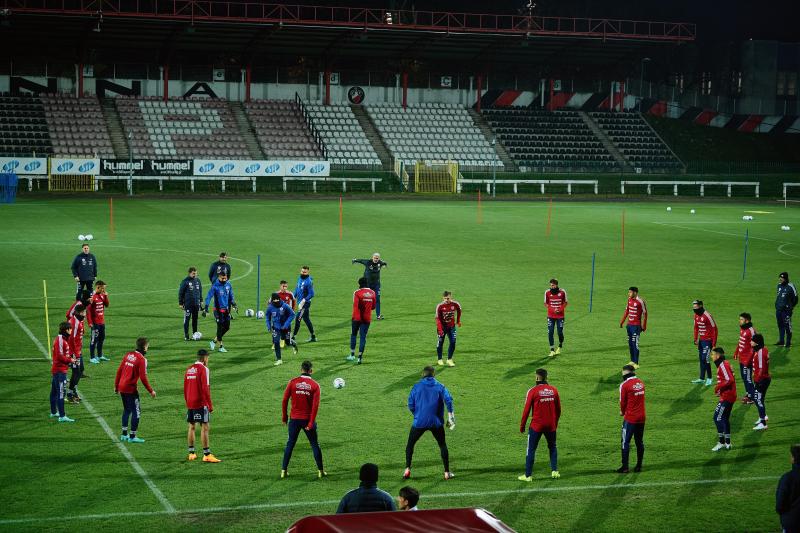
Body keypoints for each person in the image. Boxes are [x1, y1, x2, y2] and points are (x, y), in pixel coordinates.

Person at [404, 366, 456, 480]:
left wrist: (417, 415)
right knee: (442, 445)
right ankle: (447, 472)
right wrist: (451, 416)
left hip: (419, 421)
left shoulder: (416, 386)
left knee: (410, 444)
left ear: (423, 374)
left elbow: (410, 404)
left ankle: (407, 469)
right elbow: (449, 400)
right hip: (436, 422)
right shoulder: (440, 386)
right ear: (433, 374)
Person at [281, 360, 325, 479]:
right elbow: (315, 407)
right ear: (311, 371)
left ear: (301, 370)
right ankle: (320, 471)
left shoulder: (293, 382)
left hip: (294, 419)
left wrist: (284, 417)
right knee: (314, 444)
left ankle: (283, 470)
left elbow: (284, 400)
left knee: (290, 444)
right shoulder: (315, 385)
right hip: (307, 420)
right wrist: (311, 423)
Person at [518, 368, 561, 481]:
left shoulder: (532, 391)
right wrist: (554, 423)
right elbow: (559, 410)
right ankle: (554, 471)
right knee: (552, 447)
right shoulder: (554, 390)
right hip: (551, 425)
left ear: (537, 377)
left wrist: (522, 426)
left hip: (536, 426)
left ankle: (528, 476)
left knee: (531, 449)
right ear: (546, 377)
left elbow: (526, 410)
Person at [114, 337, 156, 443]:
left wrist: (116, 386)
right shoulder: (142, 359)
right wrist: (151, 391)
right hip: (130, 388)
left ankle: (124, 434)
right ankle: (132, 436)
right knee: (136, 412)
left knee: (127, 410)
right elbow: (143, 377)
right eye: (147, 346)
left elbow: (119, 370)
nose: (148, 348)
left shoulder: (128, 355)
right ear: (144, 347)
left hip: (122, 387)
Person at [184, 349, 220, 462]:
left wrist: (187, 401)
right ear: (204, 358)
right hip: (200, 402)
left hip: (189, 401)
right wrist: (209, 405)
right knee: (205, 427)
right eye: (208, 358)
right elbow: (205, 388)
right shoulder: (204, 369)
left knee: (191, 426)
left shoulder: (189, 369)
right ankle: (207, 454)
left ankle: (191, 453)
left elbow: (185, 387)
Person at [617, 364, 646, 473]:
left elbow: (623, 401)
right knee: (639, 441)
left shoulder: (624, 385)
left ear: (626, 373)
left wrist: (622, 411)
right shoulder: (641, 383)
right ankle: (639, 466)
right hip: (642, 417)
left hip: (630, 418)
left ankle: (625, 467)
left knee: (625, 442)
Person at [203, 272, 237, 353]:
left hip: (226, 310)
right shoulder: (215, 286)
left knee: (227, 327)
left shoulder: (228, 284)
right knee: (220, 327)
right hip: (218, 311)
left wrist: (234, 304)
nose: (224, 280)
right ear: (219, 277)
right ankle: (221, 346)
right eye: (223, 278)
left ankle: (214, 341)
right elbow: (208, 296)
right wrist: (206, 307)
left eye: (225, 278)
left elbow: (231, 295)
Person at [711, 347, 736, 451]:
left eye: (712, 354)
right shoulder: (724, 363)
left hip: (727, 397)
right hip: (728, 395)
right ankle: (728, 443)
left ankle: (721, 442)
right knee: (724, 418)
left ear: (718, 355)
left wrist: (718, 387)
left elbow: (729, 380)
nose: (711, 356)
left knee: (717, 418)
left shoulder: (723, 365)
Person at [50, 321, 76, 423]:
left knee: (54, 392)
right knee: (61, 393)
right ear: (66, 330)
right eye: (70, 329)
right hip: (60, 371)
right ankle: (62, 416)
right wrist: (71, 360)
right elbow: (60, 356)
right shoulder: (60, 340)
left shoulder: (63, 339)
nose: (71, 330)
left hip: (58, 370)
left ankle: (53, 412)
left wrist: (70, 357)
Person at [349, 277, 376, 364]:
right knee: (363, 337)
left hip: (357, 318)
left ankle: (352, 355)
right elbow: (373, 307)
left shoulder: (357, 293)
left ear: (360, 284)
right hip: (366, 318)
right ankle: (359, 357)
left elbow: (355, 304)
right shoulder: (373, 293)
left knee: (353, 335)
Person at [353, 253, 387, 319]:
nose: (376, 259)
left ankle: (378, 316)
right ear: (372, 257)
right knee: (365, 299)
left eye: (377, 258)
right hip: (367, 285)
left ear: (379, 258)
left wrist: (385, 265)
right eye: (375, 258)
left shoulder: (380, 263)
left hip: (376, 284)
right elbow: (361, 260)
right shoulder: (368, 262)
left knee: (377, 299)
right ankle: (361, 314)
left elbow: (385, 263)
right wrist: (354, 260)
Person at [266, 293, 297, 366]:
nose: (276, 301)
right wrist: (268, 326)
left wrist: (286, 324)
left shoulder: (285, 306)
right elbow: (267, 317)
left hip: (286, 328)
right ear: (272, 300)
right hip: (276, 328)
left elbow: (292, 315)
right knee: (276, 342)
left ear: (279, 299)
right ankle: (279, 359)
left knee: (287, 342)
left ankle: (294, 344)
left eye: (277, 300)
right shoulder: (270, 307)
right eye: (274, 300)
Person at [619, 286, 647, 368]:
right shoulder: (629, 300)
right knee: (630, 343)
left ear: (635, 292)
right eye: (629, 292)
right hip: (629, 325)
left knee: (635, 344)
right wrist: (622, 322)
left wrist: (644, 326)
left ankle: (636, 363)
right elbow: (627, 311)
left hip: (636, 326)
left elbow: (645, 314)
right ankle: (632, 361)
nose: (629, 293)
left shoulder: (640, 301)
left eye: (630, 292)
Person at [692, 300, 717, 386]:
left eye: (696, 307)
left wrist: (714, 344)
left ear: (701, 306)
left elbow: (715, 329)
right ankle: (702, 378)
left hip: (708, 341)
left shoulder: (707, 316)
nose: (694, 309)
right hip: (701, 341)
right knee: (701, 359)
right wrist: (695, 338)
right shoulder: (696, 315)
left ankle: (709, 378)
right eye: (693, 308)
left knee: (705, 359)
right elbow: (696, 327)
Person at [776, 444, 800, 532]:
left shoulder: (787, 478)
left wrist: (785, 519)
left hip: (792, 523)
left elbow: (780, 505)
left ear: (794, 459)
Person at [733, 312, 756, 404]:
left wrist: (748, 360)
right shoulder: (743, 329)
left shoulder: (751, 331)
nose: (740, 321)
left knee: (748, 378)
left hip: (748, 360)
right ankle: (748, 393)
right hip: (742, 358)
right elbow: (740, 341)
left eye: (741, 319)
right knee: (744, 377)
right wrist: (736, 352)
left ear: (747, 321)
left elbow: (754, 347)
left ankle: (752, 397)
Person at [435, 291, 462, 367]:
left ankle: (449, 359)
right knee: (440, 343)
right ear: (443, 298)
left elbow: (459, 311)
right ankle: (440, 359)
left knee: (453, 342)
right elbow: (437, 319)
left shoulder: (455, 304)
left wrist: (458, 321)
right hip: (442, 328)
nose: (447, 300)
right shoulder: (440, 306)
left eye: (448, 298)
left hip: (451, 327)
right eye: (445, 298)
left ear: (451, 297)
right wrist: (440, 329)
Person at [66, 304, 86, 403]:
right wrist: (74, 355)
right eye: (83, 312)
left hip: (78, 351)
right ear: (78, 313)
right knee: (76, 372)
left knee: (80, 370)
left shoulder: (78, 320)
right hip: (74, 352)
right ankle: (70, 393)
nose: (84, 314)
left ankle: (73, 390)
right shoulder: (74, 323)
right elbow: (71, 339)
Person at [751, 334, 771, 431]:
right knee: (760, 399)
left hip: (762, 380)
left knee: (757, 399)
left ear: (757, 342)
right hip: (765, 379)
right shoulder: (764, 349)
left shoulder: (760, 352)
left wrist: (757, 381)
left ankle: (763, 423)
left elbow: (761, 369)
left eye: (752, 341)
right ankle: (762, 416)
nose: (751, 342)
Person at [87, 280, 110, 363]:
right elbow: (88, 310)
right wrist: (90, 322)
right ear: (98, 287)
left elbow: (107, 305)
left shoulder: (102, 295)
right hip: (95, 323)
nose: (104, 290)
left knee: (101, 339)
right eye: (103, 288)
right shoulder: (92, 296)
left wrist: (106, 296)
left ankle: (100, 355)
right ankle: (92, 357)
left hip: (101, 322)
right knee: (94, 340)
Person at [292, 266, 316, 343]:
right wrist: (292, 297)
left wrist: (304, 300)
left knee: (298, 318)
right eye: (302, 271)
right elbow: (297, 289)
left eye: (305, 272)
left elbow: (312, 294)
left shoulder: (308, 282)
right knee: (306, 319)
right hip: (300, 303)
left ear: (308, 272)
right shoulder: (300, 278)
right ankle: (313, 337)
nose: (303, 273)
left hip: (305, 304)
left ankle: (293, 337)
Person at [544, 279, 568, 357]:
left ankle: (560, 346)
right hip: (550, 316)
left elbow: (565, 303)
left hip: (560, 316)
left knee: (559, 332)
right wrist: (553, 309)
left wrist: (559, 309)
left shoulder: (562, 292)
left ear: (557, 285)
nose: (552, 286)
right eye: (551, 285)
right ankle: (552, 350)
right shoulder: (547, 292)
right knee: (550, 332)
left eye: (553, 285)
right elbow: (546, 304)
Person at [179, 267, 203, 341]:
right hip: (188, 304)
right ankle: (186, 336)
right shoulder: (185, 281)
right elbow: (181, 293)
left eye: (196, 273)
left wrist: (201, 300)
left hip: (196, 304)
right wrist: (181, 303)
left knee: (195, 320)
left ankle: (194, 334)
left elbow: (200, 291)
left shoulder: (198, 281)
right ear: (189, 273)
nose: (195, 275)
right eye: (193, 273)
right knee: (187, 320)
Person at [775, 272, 798, 348]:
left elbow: (796, 298)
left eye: (782, 278)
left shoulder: (790, 286)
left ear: (786, 278)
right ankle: (781, 341)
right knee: (780, 325)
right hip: (778, 310)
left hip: (786, 311)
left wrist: (790, 307)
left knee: (788, 326)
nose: (780, 279)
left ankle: (788, 342)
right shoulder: (779, 286)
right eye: (780, 278)